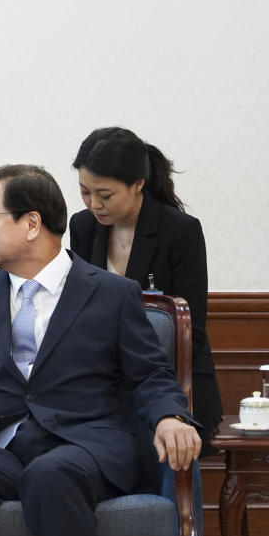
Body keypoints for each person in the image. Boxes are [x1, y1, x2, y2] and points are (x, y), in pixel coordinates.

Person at [0, 164, 200, 536]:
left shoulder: (111, 294)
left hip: (85, 448)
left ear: (31, 224)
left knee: (50, 473)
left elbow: (150, 375)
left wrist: (170, 417)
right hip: (4, 450)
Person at [70, 126, 222, 455]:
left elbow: (191, 332)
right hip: (104, 385)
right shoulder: (82, 227)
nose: (94, 204)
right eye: (85, 192)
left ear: (138, 184)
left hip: (172, 381)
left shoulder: (180, 231)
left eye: (105, 195)